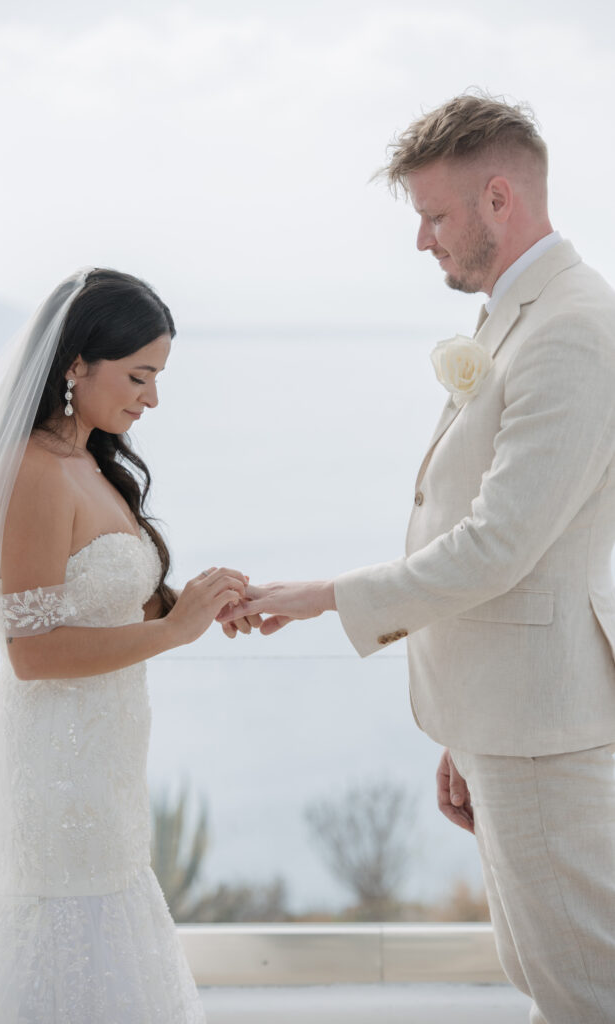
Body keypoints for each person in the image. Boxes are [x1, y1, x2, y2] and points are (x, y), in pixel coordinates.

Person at [221, 93, 615, 1023]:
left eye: (434, 217)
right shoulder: (522, 313)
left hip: (545, 732)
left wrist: (324, 595)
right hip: (508, 717)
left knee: (584, 988)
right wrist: (460, 726)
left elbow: (498, 546)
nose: (422, 241)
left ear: (497, 198)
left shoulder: (570, 330)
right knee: (541, 975)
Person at [0, 268, 254, 1022]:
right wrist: (172, 632)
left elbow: (102, 599)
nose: (152, 398)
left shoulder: (92, 462)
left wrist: (200, 603)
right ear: (77, 363)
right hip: (49, 771)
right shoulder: (31, 471)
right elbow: (31, 651)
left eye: (158, 377)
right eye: (139, 375)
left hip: (101, 766)